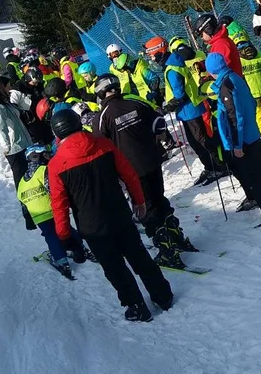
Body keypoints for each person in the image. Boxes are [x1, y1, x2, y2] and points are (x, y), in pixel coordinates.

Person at [48, 106, 174, 322]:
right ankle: (163, 296)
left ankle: (136, 306)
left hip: (93, 226)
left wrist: (64, 234)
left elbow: (59, 205)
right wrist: (139, 202)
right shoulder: (104, 145)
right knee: (139, 255)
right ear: (79, 123)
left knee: (114, 267)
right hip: (120, 214)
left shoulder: (56, 165)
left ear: (57, 134)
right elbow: (130, 175)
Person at [90, 73, 197, 267]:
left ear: (100, 91)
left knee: (145, 208)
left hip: (131, 170)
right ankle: (176, 237)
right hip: (153, 160)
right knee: (159, 199)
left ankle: (167, 251)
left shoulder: (102, 116)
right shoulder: (135, 103)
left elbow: (98, 147)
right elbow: (159, 123)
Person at [207, 53, 261, 226]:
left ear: (211, 70)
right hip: (253, 134)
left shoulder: (225, 86)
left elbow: (234, 117)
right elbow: (250, 104)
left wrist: (236, 144)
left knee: (257, 179)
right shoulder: (235, 77)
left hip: (243, 141)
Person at [158, 36, 226, 186]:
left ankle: (217, 166)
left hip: (189, 109)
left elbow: (179, 94)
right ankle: (209, 166)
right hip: (187, 109)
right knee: (195, 141)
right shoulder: (174, 64)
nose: (151, 59)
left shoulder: (172, 68)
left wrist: (168, 107)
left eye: (151, 55)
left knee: (200, 141)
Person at [16, 144, 89, 279]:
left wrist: (27, 217)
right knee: (65, 228)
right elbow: (53, 188)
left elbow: (22, 199)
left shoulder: (22, 181)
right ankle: (79, 249)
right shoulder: (44, 170)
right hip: (52, 208)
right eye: (43, 155)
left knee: (50, 235)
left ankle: (61, 260)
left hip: (38, 215)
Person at [0, 76, 37, 228]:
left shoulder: (6, 103)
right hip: (14, 149)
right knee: (21, 178)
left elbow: (26, 107)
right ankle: (27, 210)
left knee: (30, 175)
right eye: (8, 86)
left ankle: (34, 205)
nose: (10, 88)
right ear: (2, 87)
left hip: (23, 144)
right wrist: (6, 147)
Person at [196, 13, 242, 77]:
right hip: (231, 81)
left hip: (231, 84)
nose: (202, 37)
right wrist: (204, 65)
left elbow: (221, 68)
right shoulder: (218, 41)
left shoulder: (220, 44)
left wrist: (208, 78)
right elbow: (218, 62)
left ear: (207, 29)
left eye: (201, 34)